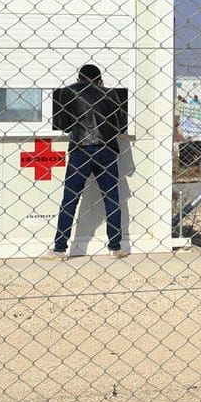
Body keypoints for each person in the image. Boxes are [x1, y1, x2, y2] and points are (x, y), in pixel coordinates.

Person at [47, 64, 130, 259]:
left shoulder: (69, 92)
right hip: (107, 149)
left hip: (81, 149)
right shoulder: (111, 94)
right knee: (112, 198)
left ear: (79, 79)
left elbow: (62, 123)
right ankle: (115, 247)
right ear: (99, 79)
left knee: (70, 199)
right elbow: (120, 125)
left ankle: (59, 248)